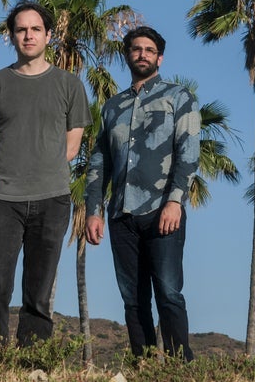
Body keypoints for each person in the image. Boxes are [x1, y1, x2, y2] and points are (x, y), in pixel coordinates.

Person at [0, 1, 90, 345]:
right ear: (12, 36)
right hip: (2, 199)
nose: (28, 35)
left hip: (52, 199)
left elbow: (72, 145)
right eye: (21, 29)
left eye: (36, 29)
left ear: (48, 35)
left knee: (39, 292)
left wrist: (40, 168)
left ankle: (32, 358)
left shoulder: (69, 85)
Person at [84, 26, 199, 361]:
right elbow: (99, 162)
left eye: (149, 50)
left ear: (159, 58)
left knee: (168, 293)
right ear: (127, 55)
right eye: (136, 49)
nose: (142, 54)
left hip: (163, 211)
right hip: (122, 216)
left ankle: (180, 368)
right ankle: (144, 368)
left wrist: (175, 201)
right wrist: (93, 210)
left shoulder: (179, 98)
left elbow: (188, 152)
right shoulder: (112, 107)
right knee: (133, 300)